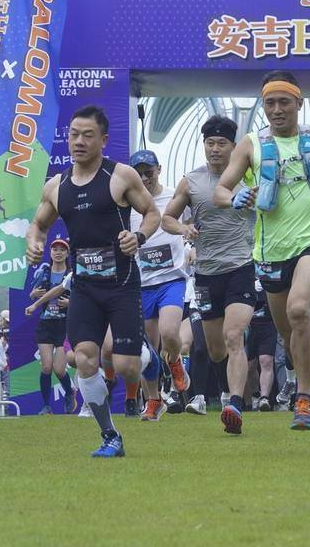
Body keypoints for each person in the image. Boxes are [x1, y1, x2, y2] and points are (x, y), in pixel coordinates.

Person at [213, 71, 310, 430]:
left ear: (299, 103)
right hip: (270, 250)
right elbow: (221, 189)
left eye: (284, 102)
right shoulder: (250, 145)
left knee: (299, 310)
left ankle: (303, 398)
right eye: (270, 103)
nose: (277, 109)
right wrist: (235, 198)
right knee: (288, 335)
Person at [25, 105, 161, 458]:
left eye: (88, 135)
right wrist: (34, 242)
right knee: (85, 359)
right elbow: (38, 224)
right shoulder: (57, 186)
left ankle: (149, 356)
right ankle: (110, 436)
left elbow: (152, 212)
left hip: (122, 284)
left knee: (127, 368)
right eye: (74, 135)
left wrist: (139, 237)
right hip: (84, 288)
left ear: (103, 140)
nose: (79, 142)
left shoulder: (121, 176)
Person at [162, 116, 259, 435]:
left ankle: (235, 404)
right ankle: (223, 392)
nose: (215, 149)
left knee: (234, 337)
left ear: (234, 147)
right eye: (210, 143)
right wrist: (184, 228)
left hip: (241, 268)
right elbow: (167, 219)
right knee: (216, 350)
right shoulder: (191, 181)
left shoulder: (251, 179)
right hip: (205, 275)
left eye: (222, 144)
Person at [128, 149, 190, 422]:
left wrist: (191, 236)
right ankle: (153, 400)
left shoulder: (174, 198)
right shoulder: (128, 204)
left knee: (169, 333)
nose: (144, 178)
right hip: (141, 283)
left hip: (171, 279)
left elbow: (196, 216)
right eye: (139, 174)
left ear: (159, 170)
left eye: (149, 172)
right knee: (147, 348)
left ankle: (175, 361)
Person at [25, 238, 76, 415]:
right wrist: (33, 295)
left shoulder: (72, 274)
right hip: (46, 324)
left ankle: (69, 393)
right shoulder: (43, 272)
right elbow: (33, 294)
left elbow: (83, 297)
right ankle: (46, 406)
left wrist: (70, 303)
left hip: (65, 325)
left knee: (59, 370)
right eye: (55, 249)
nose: (58, 252)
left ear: (67, 253)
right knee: (46, 367)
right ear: (50, 252)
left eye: (62, 250)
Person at [246, 279, 278, 410]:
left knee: (266, 361)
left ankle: (264, 398)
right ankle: (256, 394)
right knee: (249, 366)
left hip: (269, 323)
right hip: (249, 325)